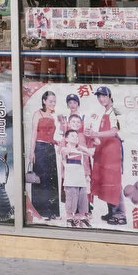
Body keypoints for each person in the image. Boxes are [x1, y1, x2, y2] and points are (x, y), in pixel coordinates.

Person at [89, 86, 125, 225]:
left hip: (113, 149)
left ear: (110, 96)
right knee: (106, 180)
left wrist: (97, 134)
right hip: (105, 149)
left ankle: (120, 214)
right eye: (99, 96)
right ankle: (112, 211)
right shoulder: (104, 113)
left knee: (114, 181)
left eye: (103, 96)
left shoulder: (114, 112)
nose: (101, 99)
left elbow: (114, 132)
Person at [28, 91, 60, 221]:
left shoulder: (53, 117)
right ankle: (40, 211)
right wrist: (31, 152)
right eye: (51, 101)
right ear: (44, 101)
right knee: (40, 179)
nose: (53, 103)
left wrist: (58, 142)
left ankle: (52, 212)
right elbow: (34, 134)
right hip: (40, 149)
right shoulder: (37, 114)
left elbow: (51, 137)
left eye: (54, 101)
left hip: (50, 149)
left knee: (52, 181)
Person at [59, 128, 91, 228]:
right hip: (71, 180)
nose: (76, 137)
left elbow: (90, 153)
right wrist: (69, 144)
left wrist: (79, 146)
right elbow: (65, 152)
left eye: (77, 136)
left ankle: (81, 218)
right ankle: (69, 218)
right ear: (66, 138)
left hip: (80, 179)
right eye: (72, 136)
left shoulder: (79, 150)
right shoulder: (64, 149)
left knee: (83, 200)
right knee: (71, 200)